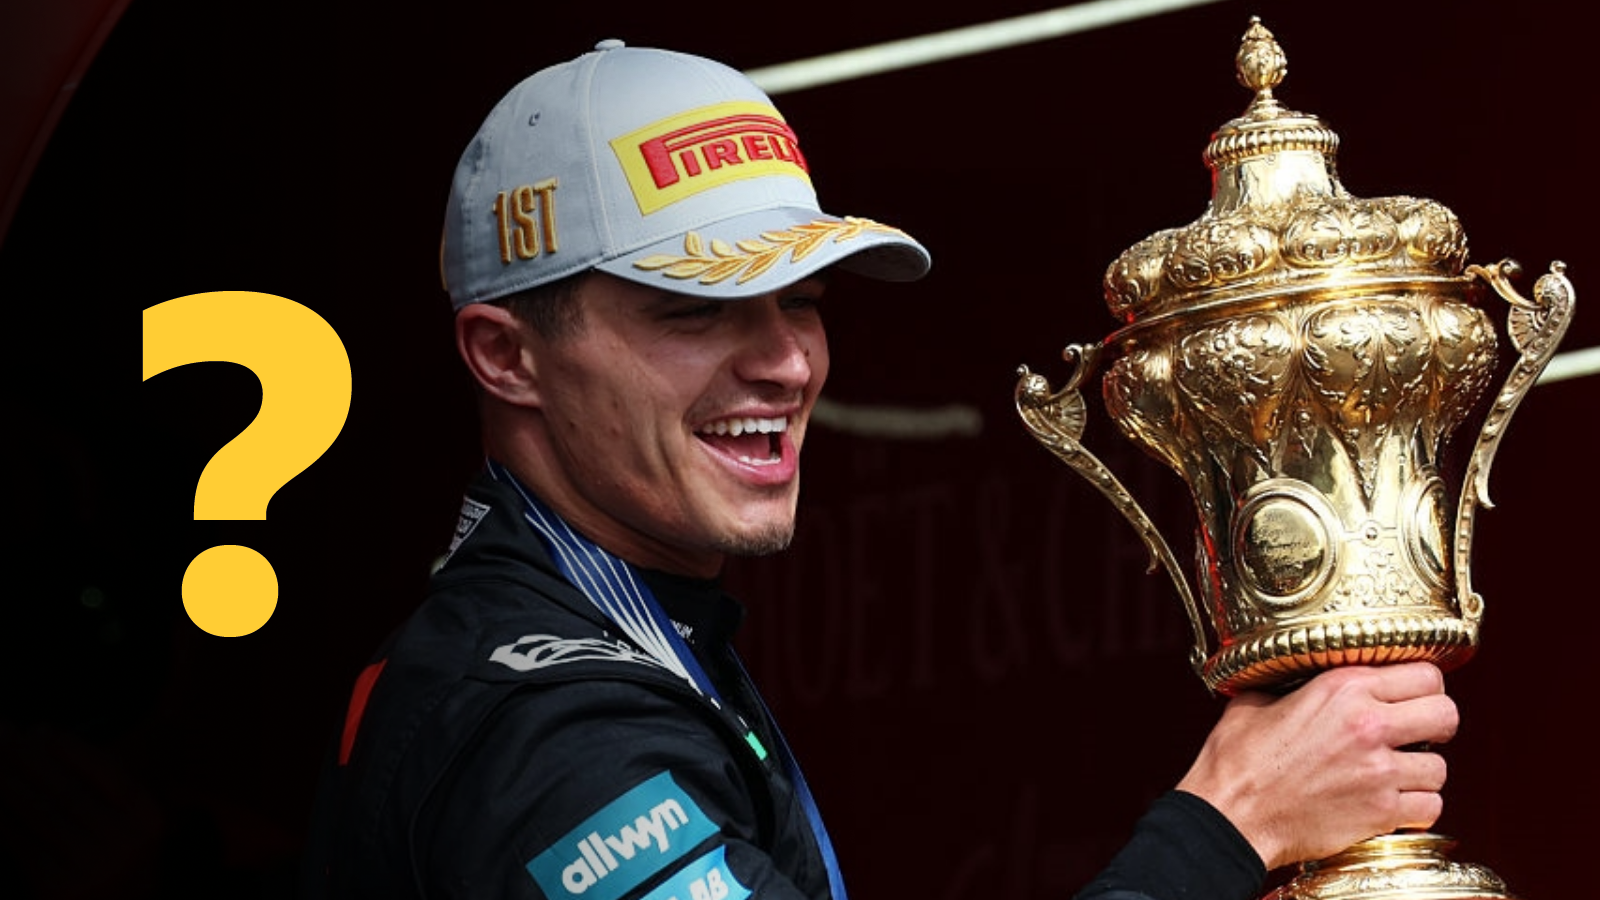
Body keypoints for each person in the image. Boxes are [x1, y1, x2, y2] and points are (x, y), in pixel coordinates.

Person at [300, 40, 1459, 900]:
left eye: (802, 300)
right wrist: (1226, 824)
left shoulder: (628, 632)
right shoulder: (541, 721)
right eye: (694, 309)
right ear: (508, 358)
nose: (785, 361)